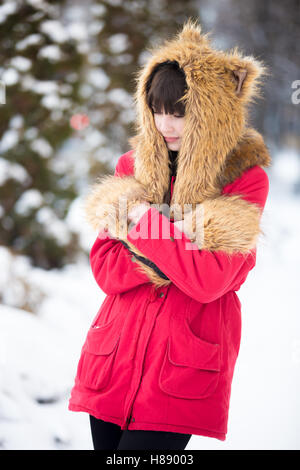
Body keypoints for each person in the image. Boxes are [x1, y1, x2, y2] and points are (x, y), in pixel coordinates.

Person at [68, 19, 271, 450]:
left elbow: (209, 280)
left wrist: (141, 223)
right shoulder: (133, 168)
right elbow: (106, 270)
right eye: (158, 110)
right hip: (114, 360)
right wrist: (180, 241)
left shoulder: (244, 179)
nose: (166, 124)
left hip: (179, 370)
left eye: (180, 111)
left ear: (210, 111)